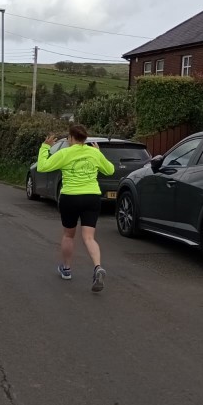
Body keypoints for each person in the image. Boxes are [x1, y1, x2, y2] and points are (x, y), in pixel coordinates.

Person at [37, 124, 114, 292]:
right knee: (89, 237)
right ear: (84, 139)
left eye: (68, 138)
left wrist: (45, 147)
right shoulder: (94, 153)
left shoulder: (65, 153)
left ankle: (66, 269)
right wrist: (99, 153)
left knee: (68, 235)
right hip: (92, 197)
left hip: (70, 197)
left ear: (71, 138)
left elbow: (42, 166)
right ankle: (98, 267)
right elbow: (110, 170)